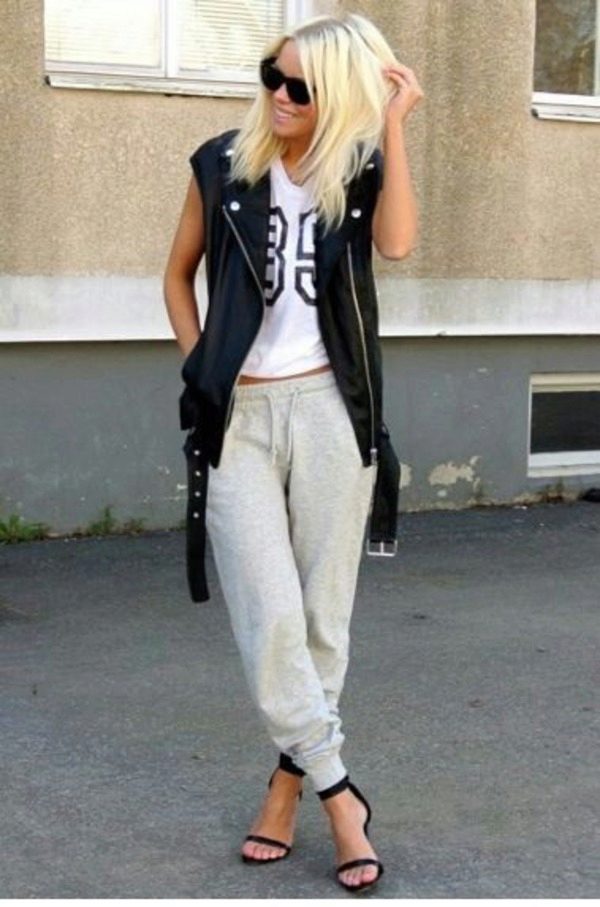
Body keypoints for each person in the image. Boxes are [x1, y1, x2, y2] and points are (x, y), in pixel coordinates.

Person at [163, 12, 422, 893]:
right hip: (239, 415)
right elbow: (176, 274)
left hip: (331, 414)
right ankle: (342, 796)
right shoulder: (221, 165)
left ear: (336, 94)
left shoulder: (359, 170)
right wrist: (202, 367)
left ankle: (284, 790)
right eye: (271, 74)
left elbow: (397, 244)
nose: (278, 94)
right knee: (270, 618)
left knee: (319, 624)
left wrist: (393, 123)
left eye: (301, 87)